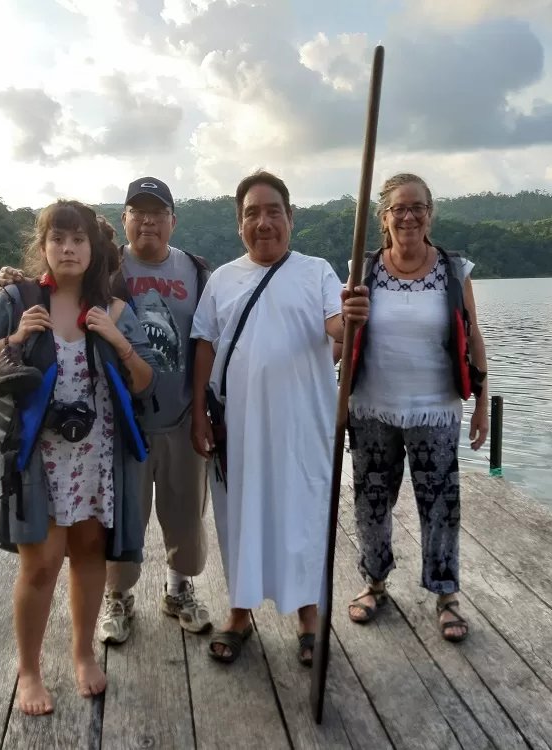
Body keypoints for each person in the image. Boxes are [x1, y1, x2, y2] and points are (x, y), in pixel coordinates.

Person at [0, 200, 157, 712]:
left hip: (96, 458)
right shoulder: (17, 300)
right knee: (39, 566)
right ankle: (30, 672)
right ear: (43, 248)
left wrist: (117, 342)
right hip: (37, 460)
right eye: (58, 239)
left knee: (88, 555)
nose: (69, 248)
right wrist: (14, 340)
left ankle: (83, 654)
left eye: (79, 239)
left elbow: (146, 381)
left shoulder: (116, 308)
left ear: (93, 248)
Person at [0, 177, 214, 644]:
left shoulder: (197, 271)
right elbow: (53, 284)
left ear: (173, 220)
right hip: (120, 426)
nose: (149, 220)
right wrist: (14, 284)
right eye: (139, 211)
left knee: (186, 517)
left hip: (180, 417)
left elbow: (211, 343)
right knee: (120, 519)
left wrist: (207, 414)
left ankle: (179, 590)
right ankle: (119, 598)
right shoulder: (106, 269)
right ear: (124, 220)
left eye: (159, 212)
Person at [190, 170, 370, 665]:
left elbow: (335, 324)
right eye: (252, 213)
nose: (263, 222)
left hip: (301, 426)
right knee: (239, 516)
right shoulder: (223, 279)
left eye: (273, 211)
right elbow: (204, 343)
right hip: (238, 426)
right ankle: (240, 612)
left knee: (302, 516)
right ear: (239, 224)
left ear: (291, 218)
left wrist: (352, 313)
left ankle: (309, 618)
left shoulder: (316, 272)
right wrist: (200, 414)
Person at [346, 173, 489, 643]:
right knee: (372, 501)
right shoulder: (362, 269)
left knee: (440, 505)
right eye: (398, 208)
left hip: (436, 409)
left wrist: (482, 403)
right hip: (372, 408)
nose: (408, 216)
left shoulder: (454, 270)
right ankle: (375, 582)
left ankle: (446, 593)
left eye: (417, 207)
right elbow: (343, 338)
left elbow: (473, 338)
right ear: (383, 217)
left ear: (430, 212)